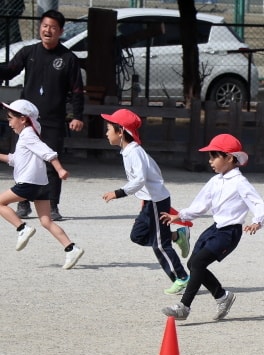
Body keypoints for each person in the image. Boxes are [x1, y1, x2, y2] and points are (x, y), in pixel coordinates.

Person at [159, 134, 264, 321]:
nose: (210, 161)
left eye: (214, 156)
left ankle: (184, 307)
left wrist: (257, 221)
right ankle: (222, 296)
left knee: (198, 263)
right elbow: (201, 204)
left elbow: (257, 203)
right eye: (210, 157)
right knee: (193, 264)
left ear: (229, 158)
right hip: (215, 229)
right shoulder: (215, 181)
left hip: (229, 232)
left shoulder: (240, 182)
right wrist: (180, 215)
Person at [0, 10, 85, 222]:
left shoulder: (68, 58)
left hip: (53, 118)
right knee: (22, 160)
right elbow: (10, 70)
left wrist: (77, 116)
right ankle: (23, 203)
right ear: (40, 28)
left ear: (61, 31)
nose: (48, 30)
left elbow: (77, 90)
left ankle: (53, 205)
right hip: (26, 121)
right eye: (45, 26)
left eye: (53, 27)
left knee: (50, 160)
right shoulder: (28, 52)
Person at [100, 109, 191, 295]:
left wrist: (118, 193)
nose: (106, 133)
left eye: (109, 129)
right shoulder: (128, 151)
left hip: (156, 202)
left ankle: (181, 278)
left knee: (160, 245)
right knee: (138, 235)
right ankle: (177, 236)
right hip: (150, 202)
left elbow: (140, 180)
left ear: (120, 131)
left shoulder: (135, 152)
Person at [0, 99, 83, 269]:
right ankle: (71, 248)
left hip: (28, 183)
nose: (9, 123)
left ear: (23, 119)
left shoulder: (28, 135)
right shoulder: (28, 134)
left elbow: (48, 153)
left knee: (0, 203)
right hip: (42, 185)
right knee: (46, 221)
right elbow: (14, 160)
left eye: (10, 118)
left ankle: (22, 228)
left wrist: (60, 169)